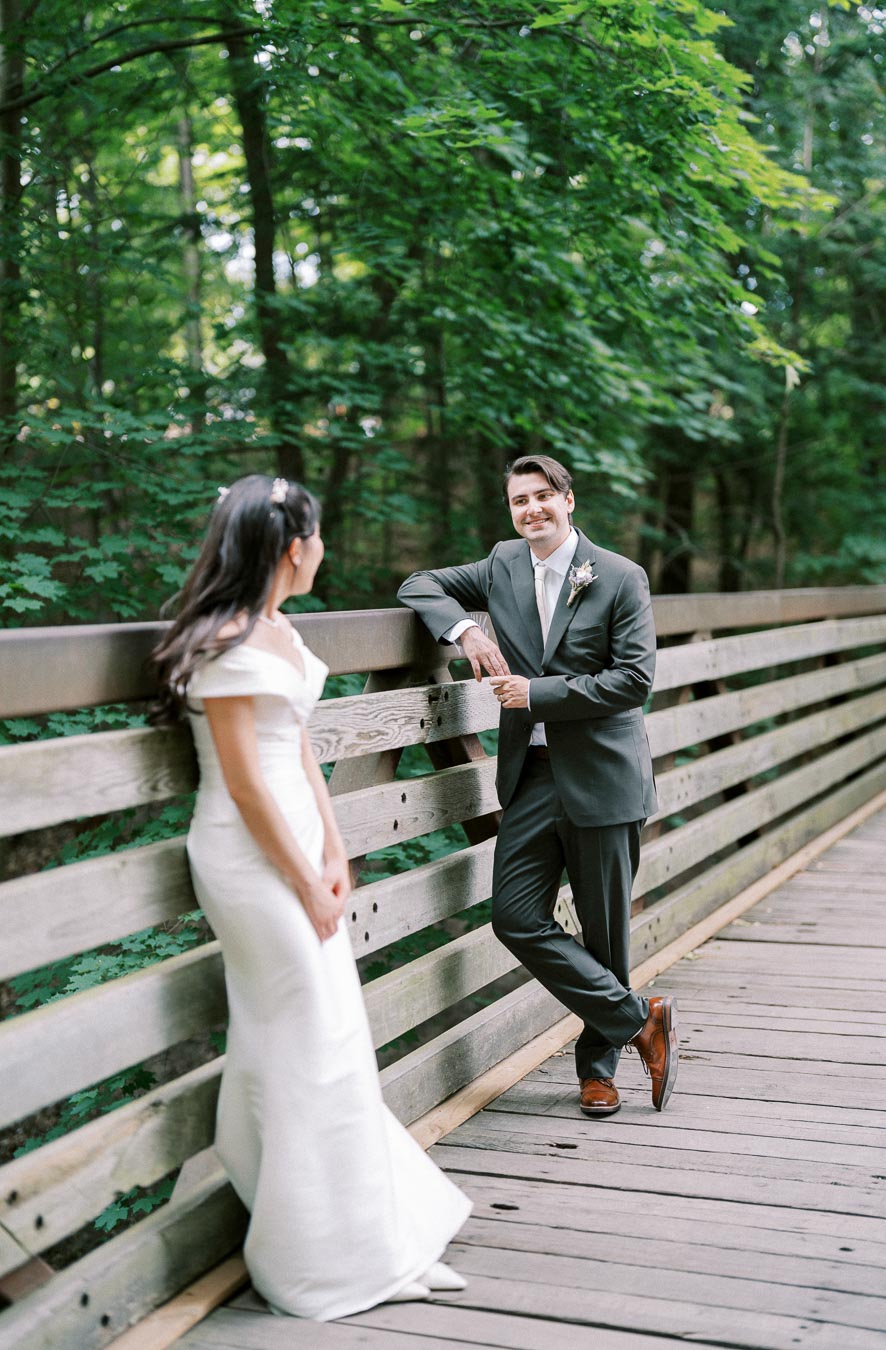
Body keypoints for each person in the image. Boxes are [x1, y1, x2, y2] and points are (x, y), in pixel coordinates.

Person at [151, 474, 470, 1320]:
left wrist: (335, 853)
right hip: (247, 860)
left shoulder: (280, 630)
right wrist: (300, 878)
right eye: (319, 537)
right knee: (305, 1041)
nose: (323, 548)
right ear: (296, 547)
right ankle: (316, 1258)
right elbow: (248, 788)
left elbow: (297, 756)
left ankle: (372, 1237)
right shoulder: (222, 640)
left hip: (299, 849)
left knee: (329, 1035)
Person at [398, 455, 677, 1118]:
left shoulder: (619, 577)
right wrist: (466, 628)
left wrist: (536, 692)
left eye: (543, 497)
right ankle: (640, 1017)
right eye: (520, 501)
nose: (532, 510)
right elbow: (419, 584)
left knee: (606, 934)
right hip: (533, 776)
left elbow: (635, 680)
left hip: (605, 779)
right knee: (515, 916)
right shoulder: (500, 566)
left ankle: (598, 1073)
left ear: (569, 500)